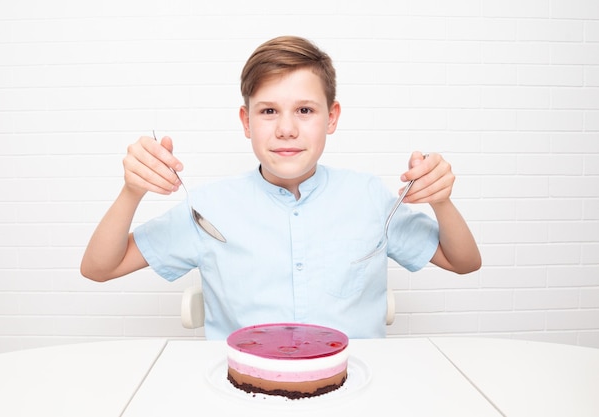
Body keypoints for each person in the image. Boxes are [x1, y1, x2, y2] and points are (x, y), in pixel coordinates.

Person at [81, 36, 481, 339]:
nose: (286, 128)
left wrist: (442, 202)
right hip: (241, 391)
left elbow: (464, 261)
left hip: (356, 390)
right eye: (269, 111)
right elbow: (99, 268)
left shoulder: (370, 198)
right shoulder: (208, 208)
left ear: (331, 117)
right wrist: (131, 190)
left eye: (304, 110)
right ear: (246, 121)